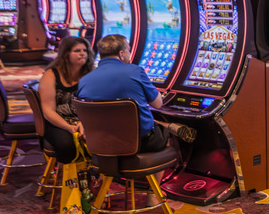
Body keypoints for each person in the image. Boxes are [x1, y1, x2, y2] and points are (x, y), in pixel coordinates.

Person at [77, 35, 196, 186]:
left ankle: (109, 185)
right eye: (128, 51)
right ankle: (153, 192)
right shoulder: (135, 71)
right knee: (164, 134)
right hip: (137, 143)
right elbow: (158, 104)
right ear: (121, 53)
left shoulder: (85, 79)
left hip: (100, 146)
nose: (129, 55)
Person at [39, 36, 95, 163]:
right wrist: (69, 127)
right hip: (59, 122)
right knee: (67, 145)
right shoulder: (51, 75)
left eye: (85, 50)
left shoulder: (92, 72)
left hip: (86, 121)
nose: (82, 54)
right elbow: (48, 111)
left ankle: (97, 177)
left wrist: (85, 122)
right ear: (66, 54)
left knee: (107, 140)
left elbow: (99, 103)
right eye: (77, 51)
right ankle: (69, 179)